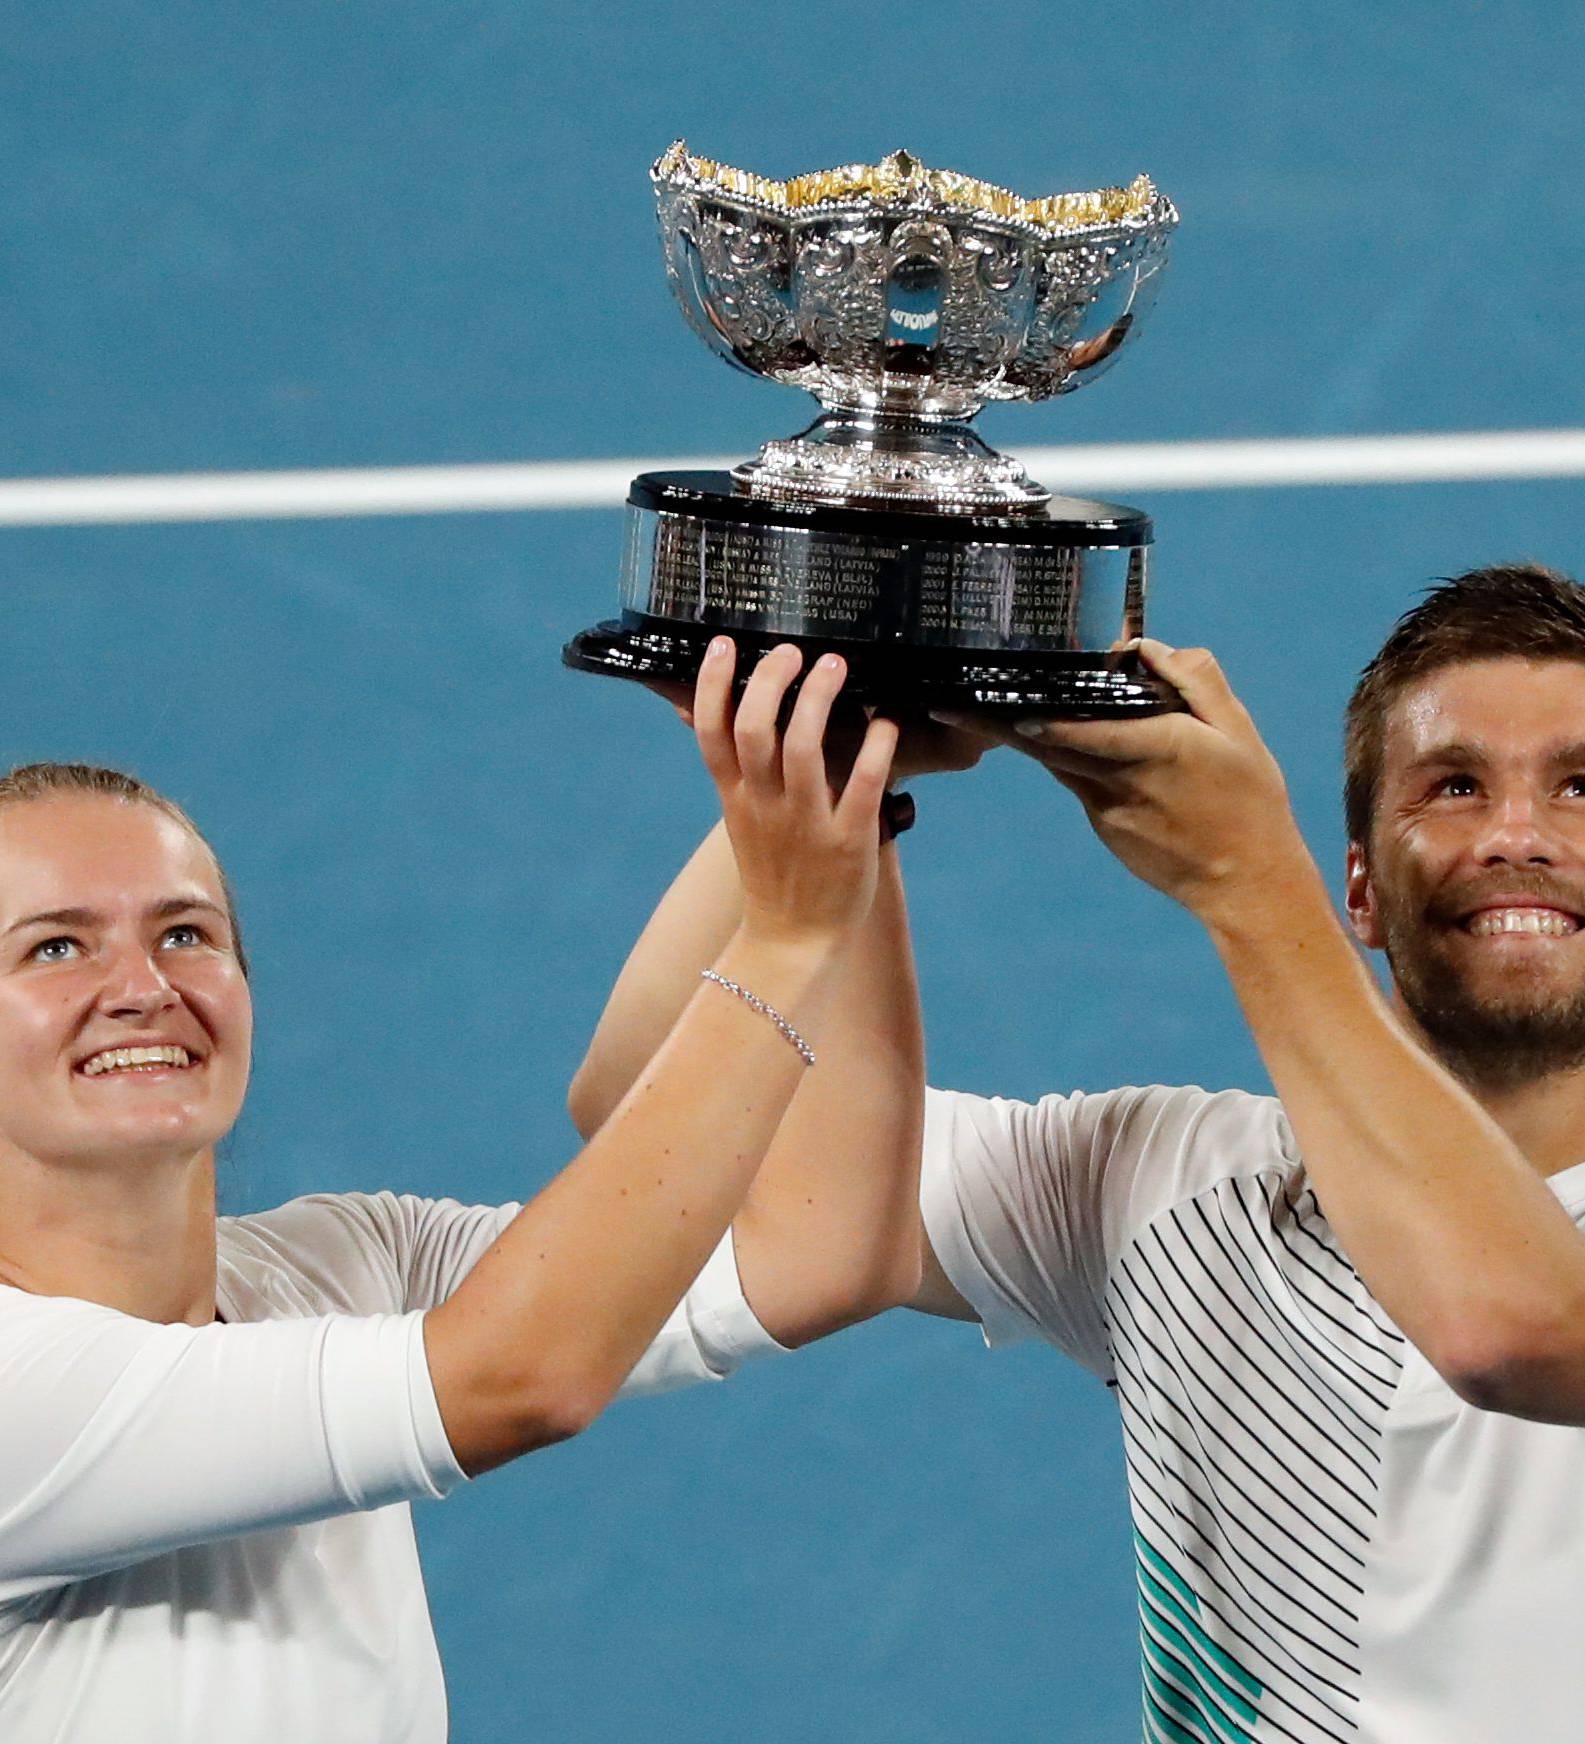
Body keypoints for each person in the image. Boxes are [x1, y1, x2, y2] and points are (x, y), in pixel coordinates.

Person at [574, 567, 1585, 1743]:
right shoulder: (1165, 1192)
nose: (1515, 832)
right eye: (1452, 787)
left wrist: (1247, 885)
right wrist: (836, 780)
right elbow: (666, 1112)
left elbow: (1514, 1321)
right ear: (1363, 885)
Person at [0, 639, 913, 1744]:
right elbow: (518, 1375)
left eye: (186, 932)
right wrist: (788, 931)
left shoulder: (348, 1261)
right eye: (54, 949)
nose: (143, 988)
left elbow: (824, 1249)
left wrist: (835, 783)